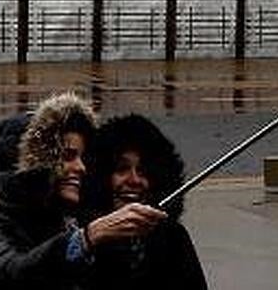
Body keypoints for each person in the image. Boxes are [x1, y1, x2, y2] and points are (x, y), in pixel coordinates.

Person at [0, 93, 166, 289]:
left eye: (81, 157)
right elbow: (14, 273)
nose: (81, 167)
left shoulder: (68, 224)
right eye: (68, 156)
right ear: (35, 167)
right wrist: (87, 238)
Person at [83, 113, 208, 290]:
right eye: (122, 169)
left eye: (143, 171)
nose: (134, 180)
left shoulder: (173, 238)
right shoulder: (85, 238)